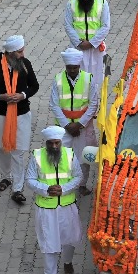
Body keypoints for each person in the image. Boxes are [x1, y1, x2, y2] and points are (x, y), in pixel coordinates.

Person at [0, 35, 41, 205]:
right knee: (1, 148)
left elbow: (34, 86)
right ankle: (6, 177)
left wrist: (22, 95)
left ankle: (18, 188)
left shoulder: (25, 64)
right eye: (19, 52)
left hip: (20, 114)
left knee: (18, 151)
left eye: (22, 51)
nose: (22, 54)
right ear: (10, 53)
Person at [26, 126, 84, 274]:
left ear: (61, 142)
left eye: (57, 143)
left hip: (67, 205)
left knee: (71, 238)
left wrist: (64, 188)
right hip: (46, 207)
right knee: (49, 243)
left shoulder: (69, 154)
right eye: (50, 143)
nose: (54, 147)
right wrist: (46, 189)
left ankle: (67, 261)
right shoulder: (37, 156)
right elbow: (30, 179)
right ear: (46, 143)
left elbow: (78, 177)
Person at [48, 47, 99, 189]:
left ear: (79, 66)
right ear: (66, 66)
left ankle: (82, 184)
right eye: (70, 68)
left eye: (75, 68)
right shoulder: (58, 80)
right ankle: (63, 183)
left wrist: (80, 124)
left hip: (83, 127)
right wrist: (67, 125)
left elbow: (94, 104)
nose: (72, 71)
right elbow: (54, 104)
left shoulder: (88, 79)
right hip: (63, 128)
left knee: (84, 156)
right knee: (62, 156)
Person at [63, 0, 111, 93]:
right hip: (78, 47)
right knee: (79, 76)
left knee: (97, 75)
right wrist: (79, 42)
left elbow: (105, 26)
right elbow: (68, 25)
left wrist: (92, 43)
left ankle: (95, 101)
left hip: (96, 47)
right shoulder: (71, 3)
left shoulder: (102, 3)